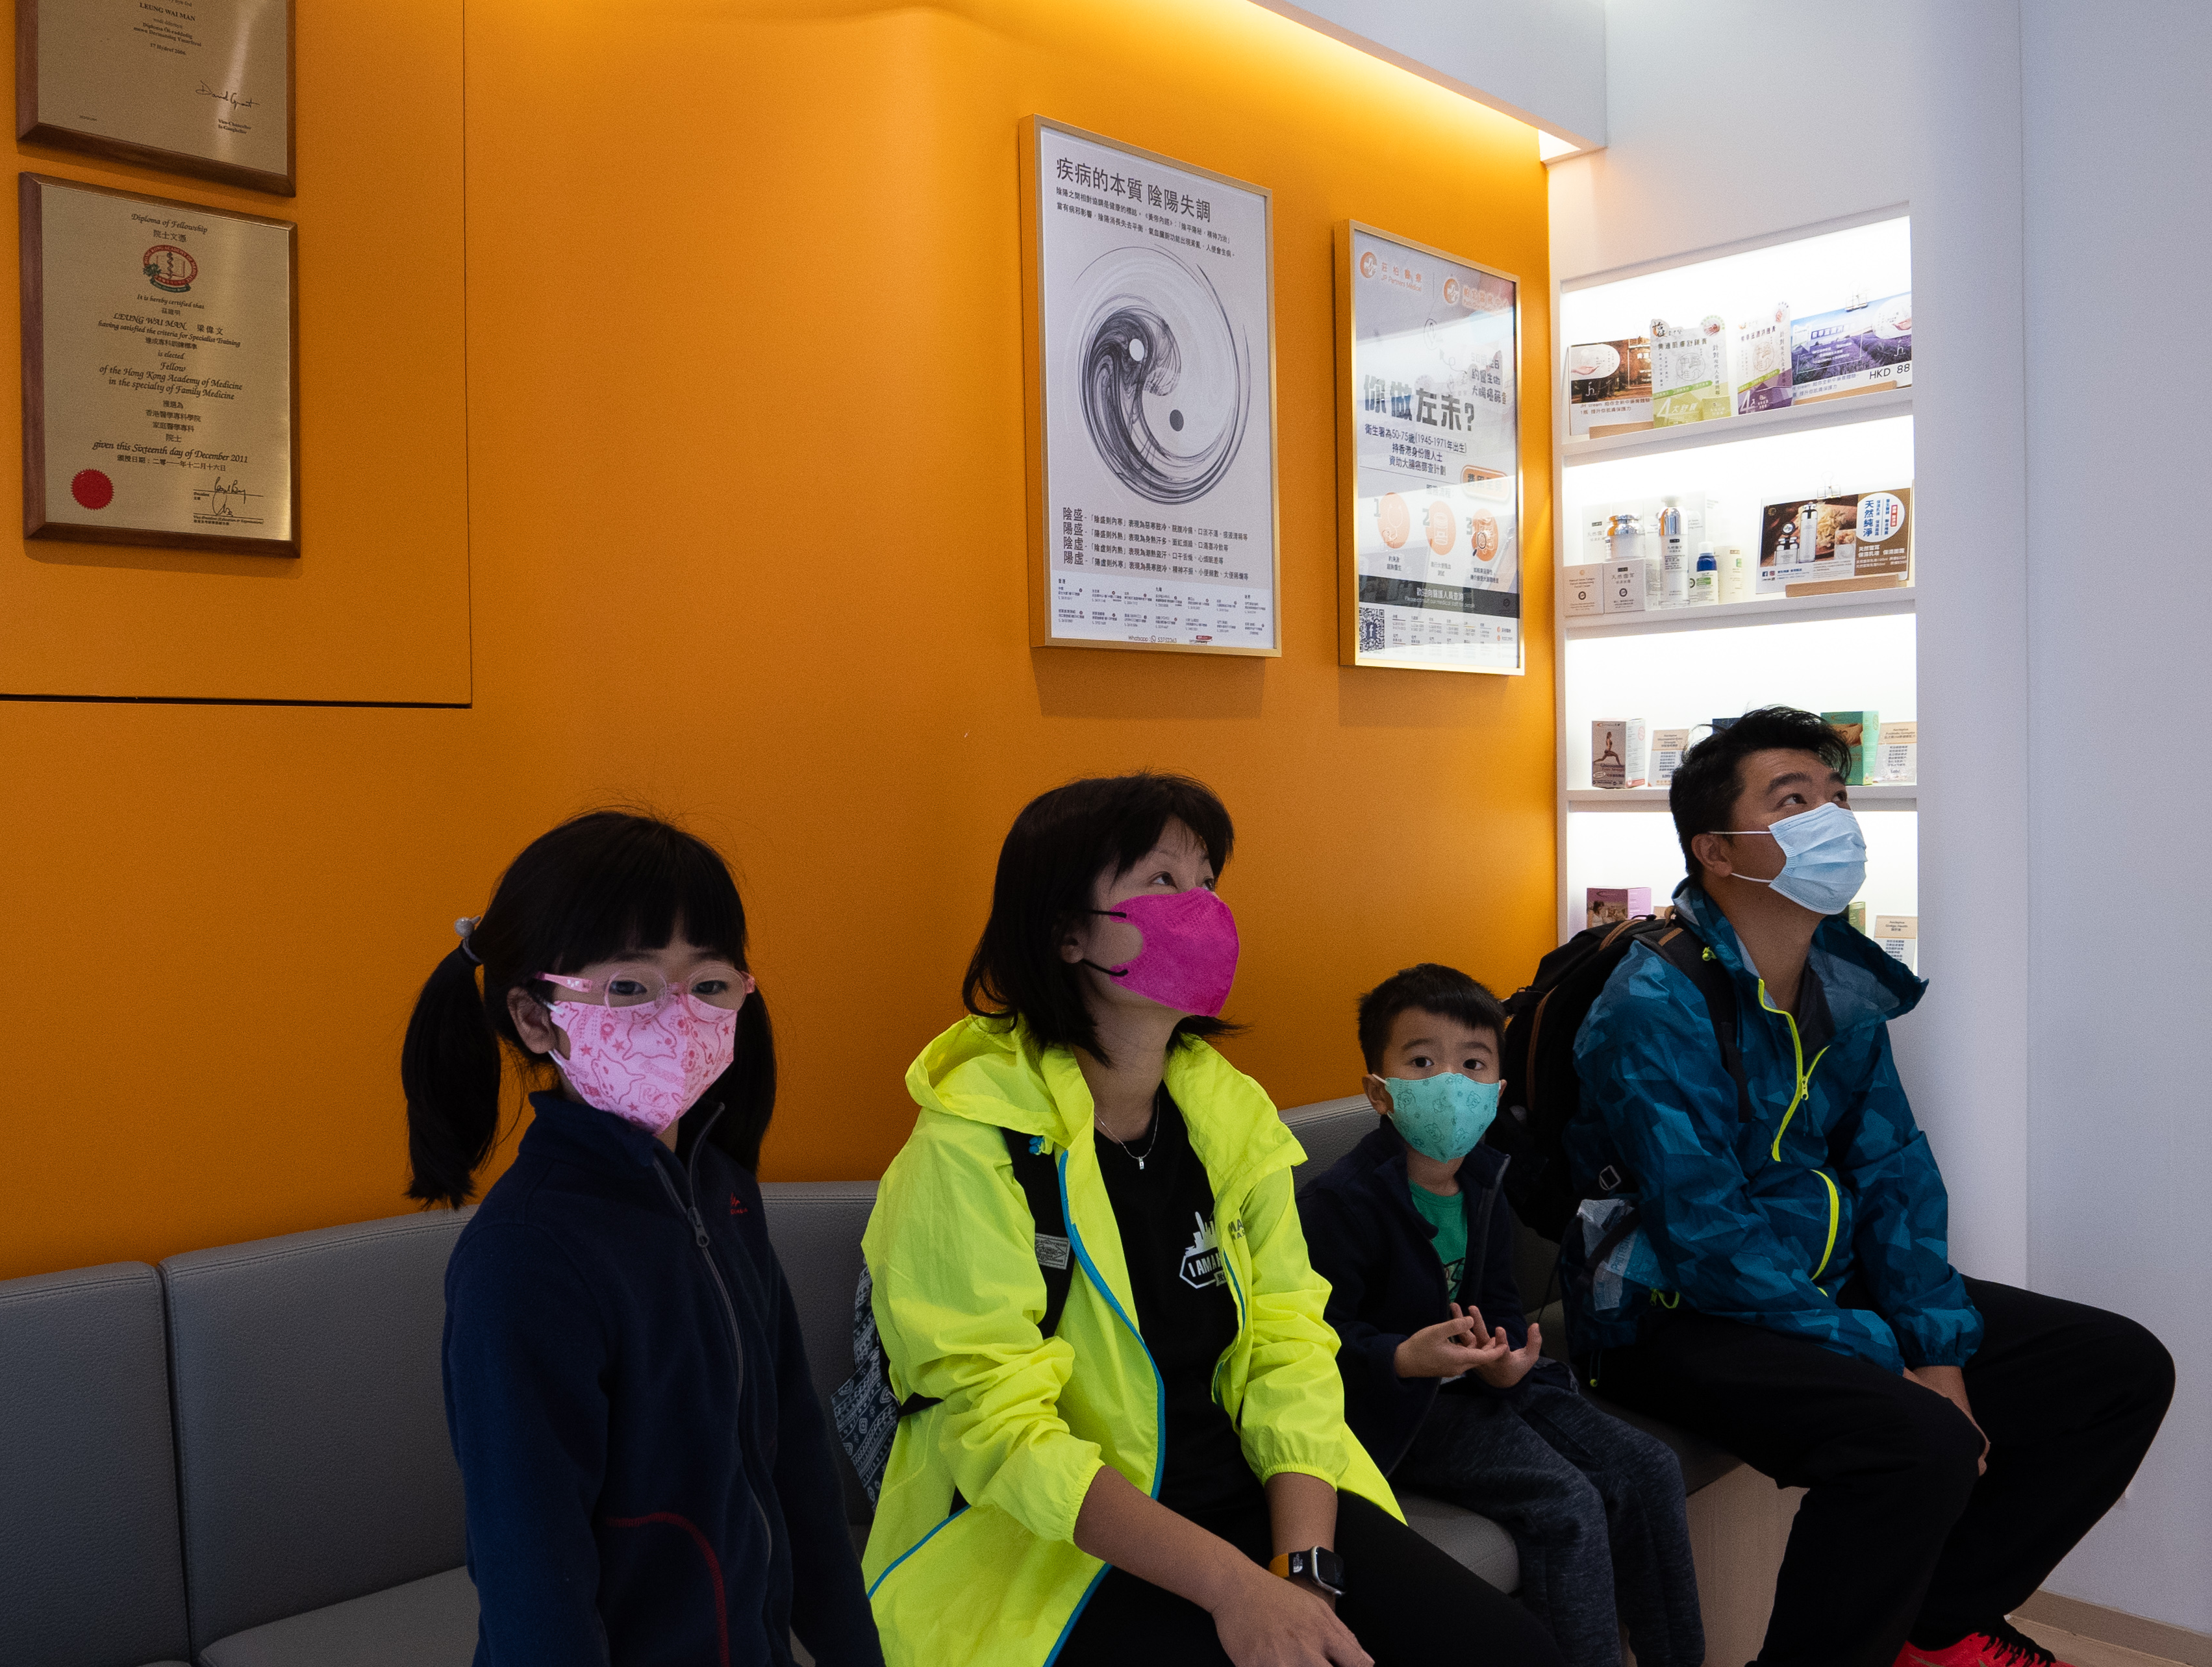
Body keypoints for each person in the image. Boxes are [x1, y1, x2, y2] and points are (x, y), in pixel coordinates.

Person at [860, 772, 1559, 1667]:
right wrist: (1236, 1589)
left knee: (1513, 1651)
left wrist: (1302, 1570)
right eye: (1162, 880)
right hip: (1056, 1540)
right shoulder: (968, 1145)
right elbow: (996, 1429)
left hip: (1252, 1492)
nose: (1203, 909)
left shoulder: (1227, 1118)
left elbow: (1286, 1347)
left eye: (1207, 881)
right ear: (1066, 932)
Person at [1565, 707, 2174, 1667]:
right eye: (1791, 799)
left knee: (2116, 1367)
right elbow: (1707, 1233)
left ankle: (1933, 1624)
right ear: (1714, 850)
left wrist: (1935, 1349)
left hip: (1811, 1290)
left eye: (1835, 796)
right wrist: (1879, 1354)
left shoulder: (1837, 984)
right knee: (1917, 1443)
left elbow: (1893, 1171)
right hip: (1667, 1315)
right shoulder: (1650, 1003)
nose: (1832, 819)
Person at [403, 811, 881, 1667]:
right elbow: (532, 1577)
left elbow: (796, 1463)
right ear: (536, 1016)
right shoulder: (525, 1253)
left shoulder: (721, 1189)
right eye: (630, 986)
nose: (679, 1014)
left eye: (708, 981)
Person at [1300, 964, 1702, 1667]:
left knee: (1649, 1466)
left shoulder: (1485, 1178)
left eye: (1472, 1064)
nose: (1450, 1082)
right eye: (1421, 1061)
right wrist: (1400, 1357)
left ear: (1495, 1090)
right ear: (1379, 1090)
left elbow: (1499, 1301)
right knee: (1565, 1502)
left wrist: (1510, 1356)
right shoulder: (1342, 1201)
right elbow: (1312, 1341)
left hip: (1489, 1388)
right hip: (1405, 1409)